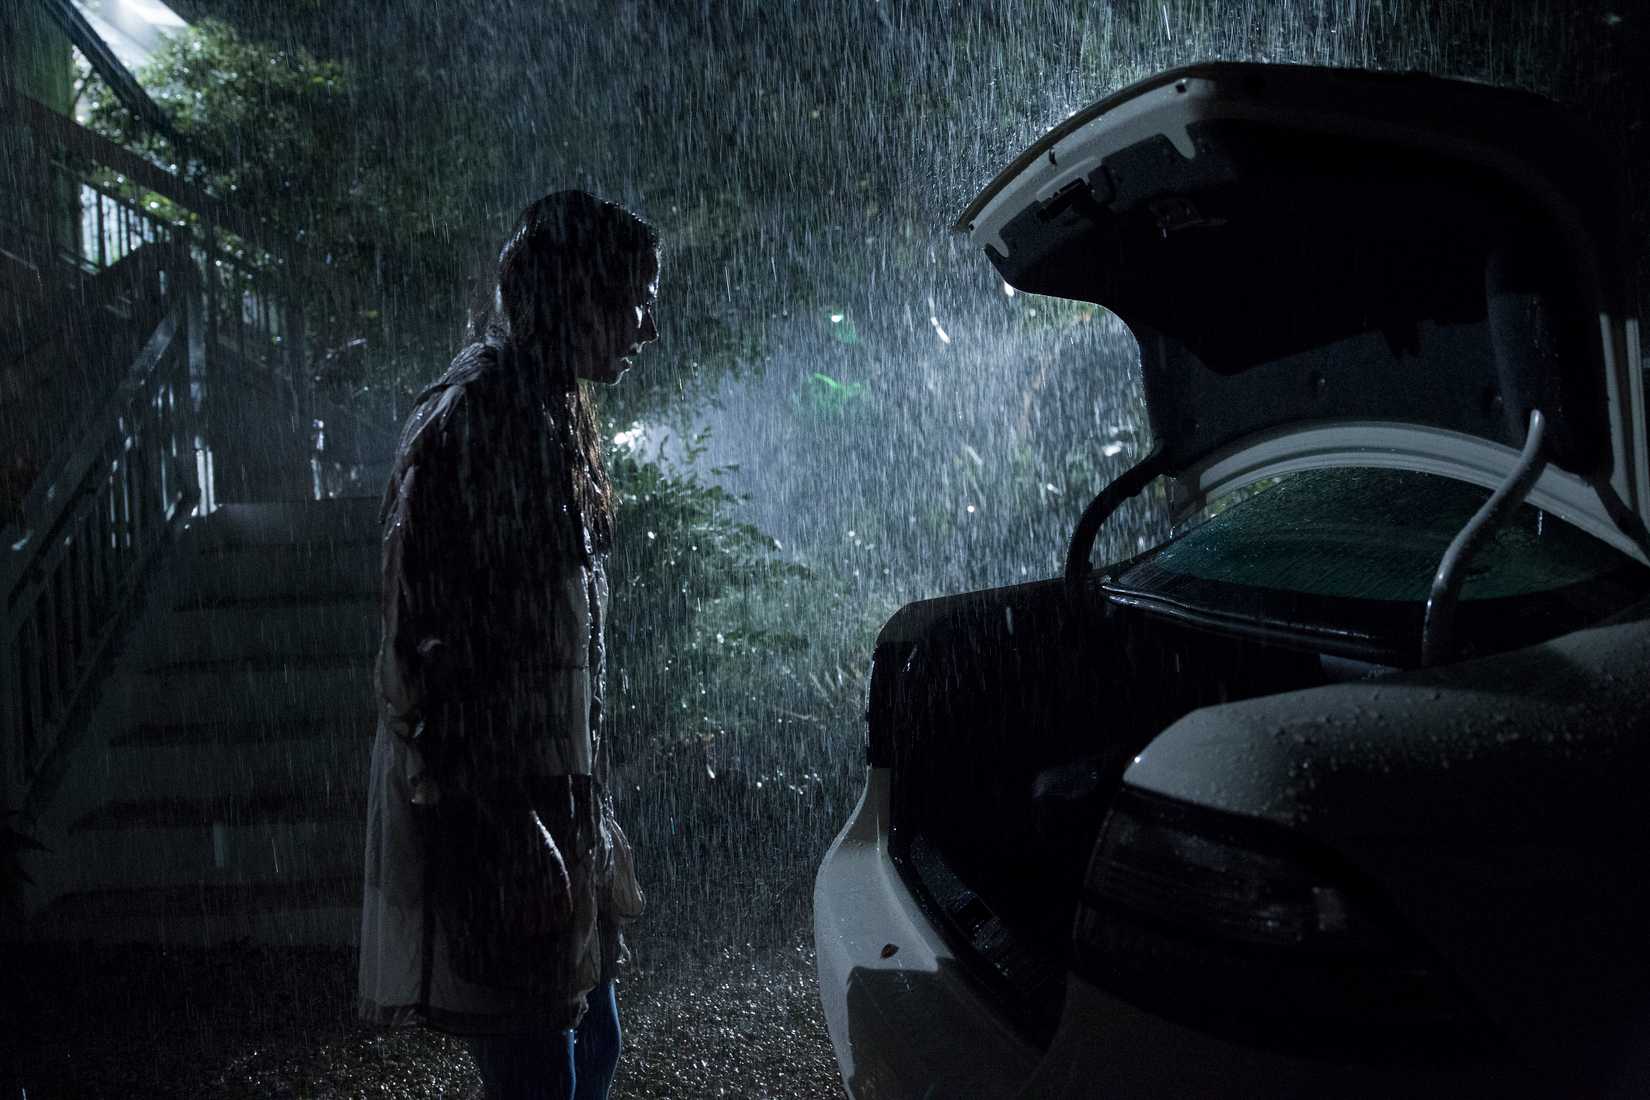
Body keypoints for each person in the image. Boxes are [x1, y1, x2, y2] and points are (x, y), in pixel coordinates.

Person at [359, 190, 658, 1100]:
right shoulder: (488, 417)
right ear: (577, 295)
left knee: (589, 1044)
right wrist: (505, 821)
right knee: (540, 1069)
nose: (647, 328)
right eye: (634, 302)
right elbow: (438, 647)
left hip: (549, 794)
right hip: (501, 805)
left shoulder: (544, 404)